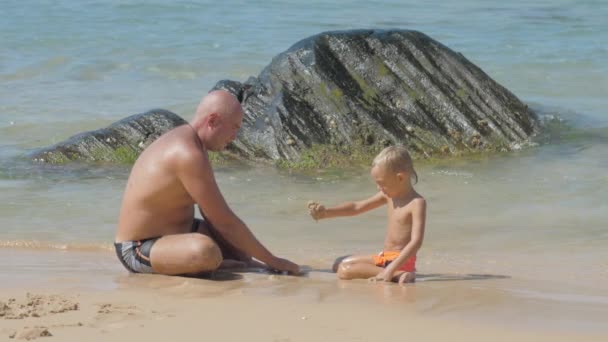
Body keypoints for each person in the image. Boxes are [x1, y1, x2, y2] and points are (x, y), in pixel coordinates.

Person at [115, 90, 300, 276]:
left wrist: (243, 254)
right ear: (212, 121)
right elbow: (224, 221)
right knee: (206, 252)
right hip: (137, 248)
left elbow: (213, 215)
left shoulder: (193, 143)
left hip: (178, 231)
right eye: (234, 127)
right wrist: (273, 260)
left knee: (241, 253)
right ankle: (216, 266)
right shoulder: (186, 153)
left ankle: (224, 264)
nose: (235, 136)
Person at [308, 146, 426, 284]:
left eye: (382, 184)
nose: (379, 188)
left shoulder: (416, 203)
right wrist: (326, 213)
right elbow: (357, 207)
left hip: (400, 261)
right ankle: (396, 273)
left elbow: (416, 242)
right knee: (338, 263)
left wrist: (390, 270)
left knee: (344, 270)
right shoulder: (388, 196)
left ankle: (399, 274)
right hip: (386, 257)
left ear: (400, 177)